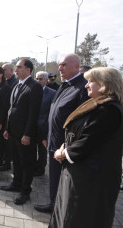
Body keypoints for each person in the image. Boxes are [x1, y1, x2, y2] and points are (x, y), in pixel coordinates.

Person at [49, 67, 123, 228]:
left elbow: (89, 141)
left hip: (92, 179)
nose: (86, 85)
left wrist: (63, 152)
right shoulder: (101, 104)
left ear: (105, 84)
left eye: (91, 81)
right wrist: (66, 144)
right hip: (82, 173)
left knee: (81, 218)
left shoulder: (109, 110)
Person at [34, 54, 89, 213]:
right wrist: (46, 136)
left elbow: (81, 121)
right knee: (54, 177)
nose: (60, 68)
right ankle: (53, 203)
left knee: (64, 180)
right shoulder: (65, 85)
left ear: (77, 66)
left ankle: (62, 208)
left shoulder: (82, 87)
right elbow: (53, 112)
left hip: (66, 146)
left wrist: (68, 146)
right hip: (53, 140)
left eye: (64, 65)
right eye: (59, 65)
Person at [0, 58, 43, 205]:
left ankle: (25, 191)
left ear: (28, 70)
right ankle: (16, 184)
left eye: (19, 67)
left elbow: (33, 113)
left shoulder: (34, 86)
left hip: (25, 134)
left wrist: (28, 134)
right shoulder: (17, 85)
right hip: (13, 133)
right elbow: (10, 110)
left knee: (26, 163)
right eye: (16, 67)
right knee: (17, 161)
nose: (16, 70)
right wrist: (7, 128)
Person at [34, 71, 56, 176]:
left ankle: (40, 169)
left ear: (47, 80)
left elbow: (52, 112)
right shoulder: (31, 90)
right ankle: (32, 166)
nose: (38, 81)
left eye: (41, 79)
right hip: (32, 126)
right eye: (37, 78)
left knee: (42, 150)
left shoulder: (52, 93)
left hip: (43, 127)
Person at [1, 63, 19, 171]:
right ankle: (4, 161)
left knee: (8, 143)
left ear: (11, 71)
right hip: (3, 116)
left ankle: (7, 163)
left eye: (4, 70)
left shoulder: (14, 83)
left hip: (9, 117)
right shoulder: (5, 82)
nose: (3, 72)